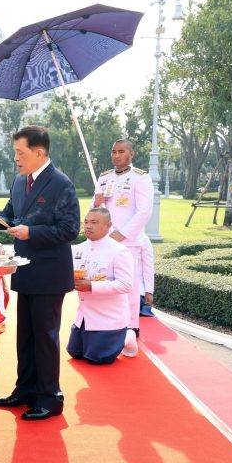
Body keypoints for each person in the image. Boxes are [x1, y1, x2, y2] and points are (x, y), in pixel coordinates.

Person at [0, 125, 80, 421]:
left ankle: (50, 398)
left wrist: (32, 232)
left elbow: (70, 229)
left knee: (44, 337)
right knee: (25, 336)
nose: (15, 158)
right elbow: (9, 216)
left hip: (49, 272)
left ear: (39, 152)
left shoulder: (61, 183)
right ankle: (25, 390)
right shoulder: (19, 181)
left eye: (20, 152)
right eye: (15, 152)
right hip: (24, 269)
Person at [92, 139, 153, 356]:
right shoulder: (104, 177)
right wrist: (97, 202)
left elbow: (144, 211)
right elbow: (94, 209)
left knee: (128, 287)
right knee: (105, 283)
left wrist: (122, 234)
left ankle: (130, 328)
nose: (116, 155)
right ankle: (107, 326)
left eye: (121, 151)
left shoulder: (140, 177)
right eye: (113, 151)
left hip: (128, 242)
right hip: (105, 240)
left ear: (131, 154)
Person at [68, 208, 135, 363]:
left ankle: (127, 336)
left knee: (98, 358)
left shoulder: (119, 251)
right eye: (86, 222)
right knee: (75, 353)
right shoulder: (77, 249)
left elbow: (126, 285)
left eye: (94, 222)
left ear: (108, 225)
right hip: (84, 316)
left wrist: (91, 286)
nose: (88, 226)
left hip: (109, 318)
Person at [138, 235, 155, 317]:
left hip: (137, 294)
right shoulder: (107, 236)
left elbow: (148, 267)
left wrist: (149, 292)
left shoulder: (143, 240)